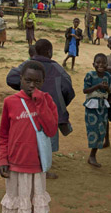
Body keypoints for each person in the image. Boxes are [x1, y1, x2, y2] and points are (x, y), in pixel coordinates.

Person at [0, 60, 56, 213]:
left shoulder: (47, 100)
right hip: (15, 164)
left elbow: (51, 130)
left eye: (37, 81)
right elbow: (3, 135)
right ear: (21, 80)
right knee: (12, 200)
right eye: (28, 80)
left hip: (36, 165)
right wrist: (2, 159)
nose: (32, 85)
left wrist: (40, 102)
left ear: (43, 82)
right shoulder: (10, 102)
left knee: (35, 205)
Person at [6, 39, 75, 179]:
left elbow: (11, 78)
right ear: (49, 52)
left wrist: (24, 91)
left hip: (26, 111)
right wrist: (58, 105)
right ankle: (43, 168)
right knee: (47, 141)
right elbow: (68, 90)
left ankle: (33, 167)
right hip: (48, 113)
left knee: (28, 138)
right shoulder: (58, 69)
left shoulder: (27, 66)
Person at [83, 53, 111, 167]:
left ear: (107, 64)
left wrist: (106, 88)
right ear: (93, 64)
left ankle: (93, 155)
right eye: (98, 63)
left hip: (103, 106)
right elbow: (85, 90)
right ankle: (92, 156)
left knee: (101, 130)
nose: (100, 65)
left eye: (103, 63)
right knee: (93, 130)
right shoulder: (89, 75)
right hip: (92, 107)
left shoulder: (108, 76)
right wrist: (98, 86)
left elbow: (109, 92)